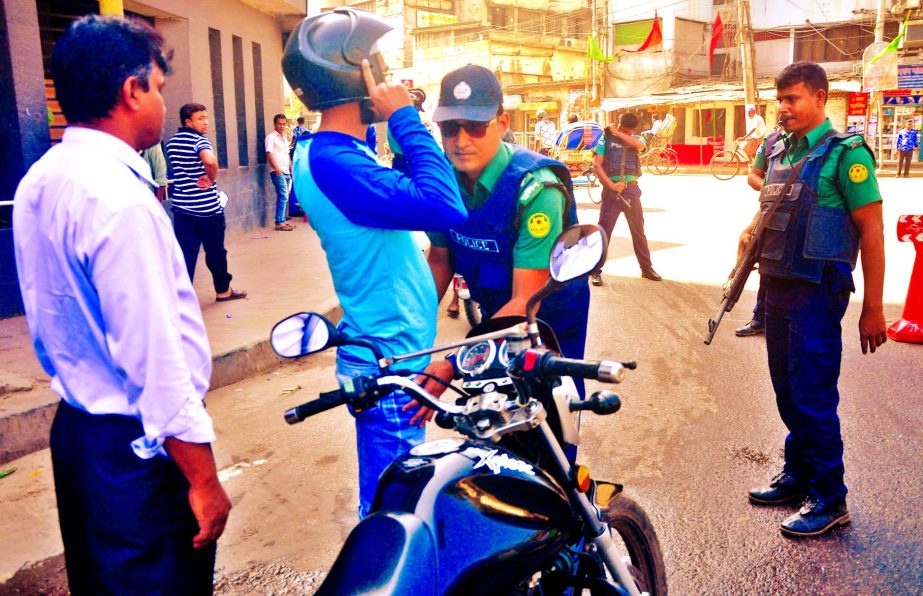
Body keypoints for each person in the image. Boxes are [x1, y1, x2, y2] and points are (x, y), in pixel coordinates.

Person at [12, 15, 231, 592]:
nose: (163, 101)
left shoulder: (44, 176)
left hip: (81, 437)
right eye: (158, 88)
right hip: (136, 452)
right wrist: (204, 479)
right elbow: (155, 361)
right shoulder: (120, 201)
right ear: (132, 90)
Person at [283, 8, 466, 518]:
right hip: (391, 369)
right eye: (378, 68)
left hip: (392, 356)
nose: (388, 80)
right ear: (355, 74)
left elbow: (405, 197)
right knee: (395, 521)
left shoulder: (328, 152)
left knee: (404, 507)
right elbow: (443, 204)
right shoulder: (335, 162)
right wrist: (404, 117)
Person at [743, 61, 887, 538]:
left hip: (817, 292)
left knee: (812, 395)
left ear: (820, 98)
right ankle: (798, 474)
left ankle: (830, 496)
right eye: (779, 100)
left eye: (793, 99)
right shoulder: (781, 149)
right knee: (787, 389)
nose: (783, 109)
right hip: (778, 285)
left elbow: (872, 231)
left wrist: (873, 308)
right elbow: (771, 207)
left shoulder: (847, 153)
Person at [425, 64, 591, 395]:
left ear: (502, 125)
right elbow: (440, 260)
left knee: (545, 420)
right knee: (488, 414)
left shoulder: (536, 188)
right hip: (494, 313)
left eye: (474, 127)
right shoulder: (442, 181)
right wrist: (410, 331)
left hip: (546, 323)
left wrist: (454, 363)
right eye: (449, 128)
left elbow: (526, 299)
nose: (460, 141)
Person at [165, 103, 247, 302]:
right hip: (208, 210)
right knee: (216, 252)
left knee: (185, 254)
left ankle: (182, 298)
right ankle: (223, 291)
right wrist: (210, 178)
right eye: (200, 118)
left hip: (182, 208)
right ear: (188, 122)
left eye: (206, 117)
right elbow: (209, 161)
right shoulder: (199, 141)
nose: (206, 122)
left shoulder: (172, 143)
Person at [590, 112, 662, 286]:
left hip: (631, 191)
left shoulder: (638, 138)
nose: (625, 132)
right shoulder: (604, 140)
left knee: (638, 231)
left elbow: (638, 146)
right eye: (622, 128)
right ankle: (595, 271)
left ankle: (646, 268)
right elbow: (596, 165)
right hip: (612, 192)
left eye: (627, 130)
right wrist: (611, 185)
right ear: (618, 124)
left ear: (633, 129)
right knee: (604, 232)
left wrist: (616, 132)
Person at [736, 124, 785, 338]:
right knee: (762, 259)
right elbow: (753, 176)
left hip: (804, 219)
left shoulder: (826, 144)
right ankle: (760, 317)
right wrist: (773, 187)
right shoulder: (772, 140)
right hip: (771, 210)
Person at [266, 113, 295, 231]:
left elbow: (287, 154)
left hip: (286, 171)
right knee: (283, 195)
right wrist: (276, 168)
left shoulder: (284, 137)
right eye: (279, 124)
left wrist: (291, 167)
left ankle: (282, 219)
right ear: (274, 124)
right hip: (277, 171)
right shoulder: (270, 138)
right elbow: (269, 153)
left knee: (285, 196)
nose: (281, 126)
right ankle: (279, 222)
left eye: (284, 124)